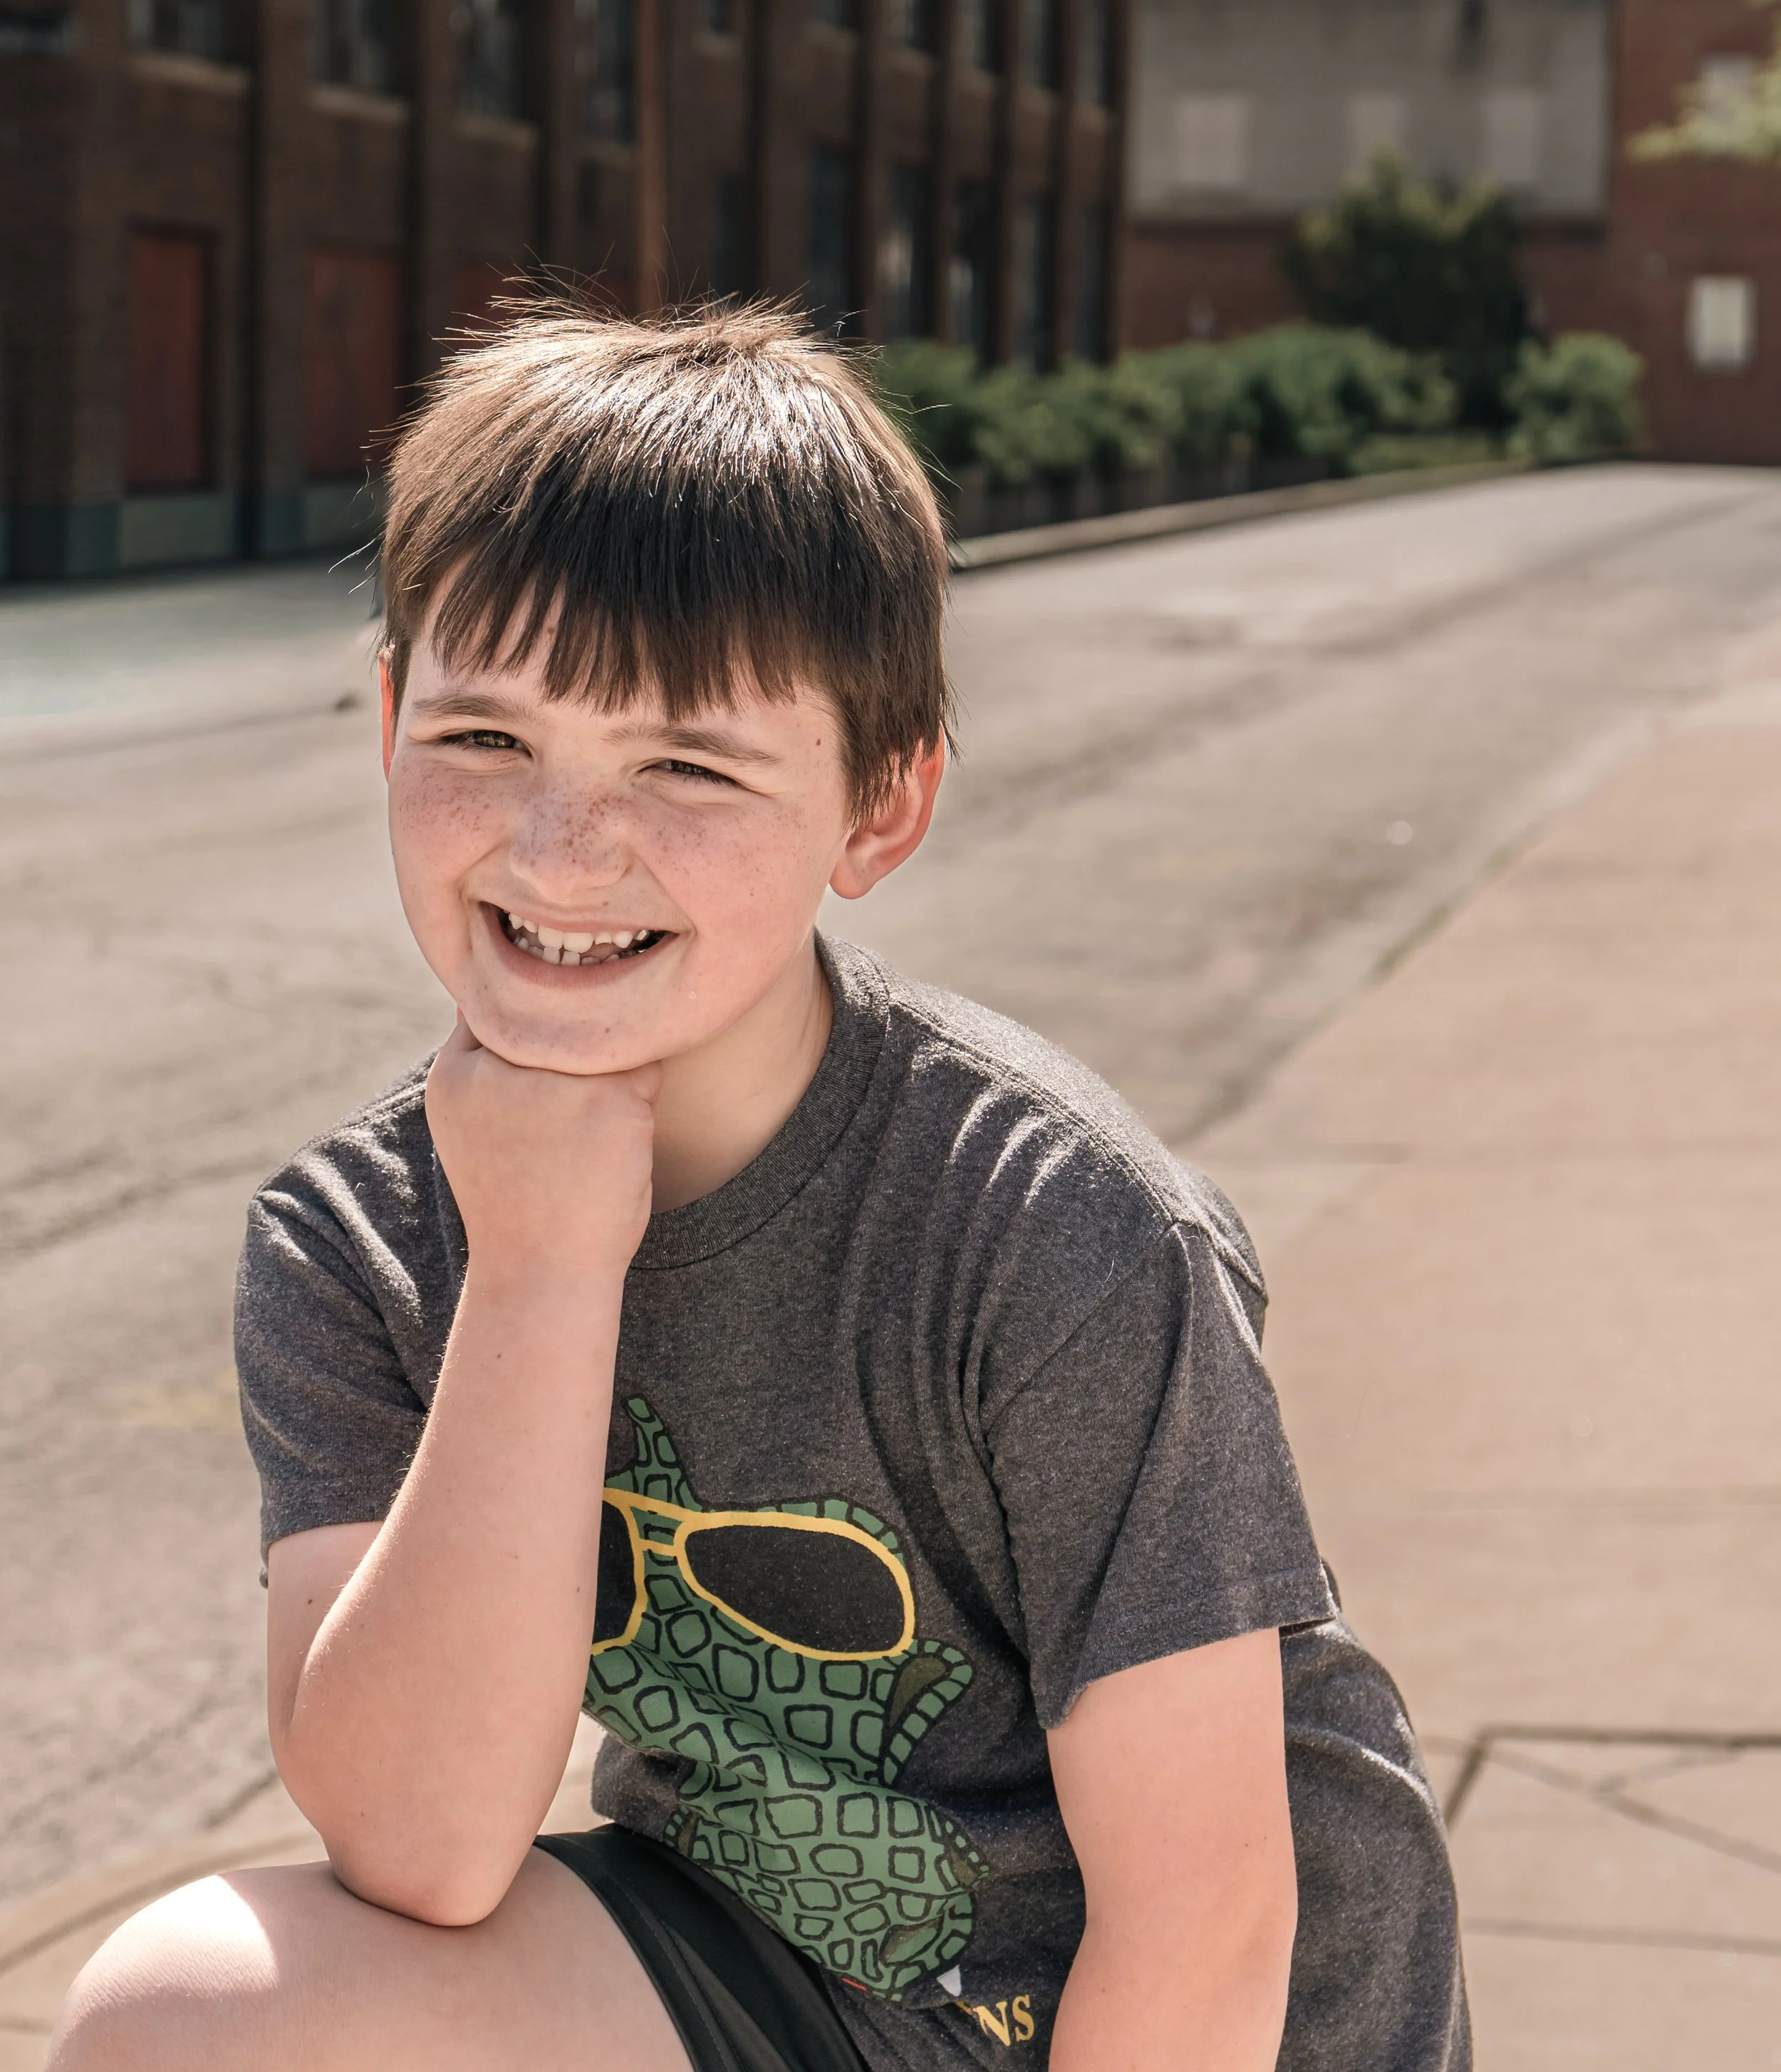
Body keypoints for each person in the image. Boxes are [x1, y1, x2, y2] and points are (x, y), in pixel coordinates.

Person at [49, 306, 1468, 2072]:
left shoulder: (1052, 1224)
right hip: (777, 1967)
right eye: (485, 738)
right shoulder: (356, 1240)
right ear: (391, 715)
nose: (560, 848)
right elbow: (419, 1845)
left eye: (687, 765)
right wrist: (542, 1265)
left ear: (879, 808)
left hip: (1196, 2022)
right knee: (182, 2015)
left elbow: (1209, 1921)